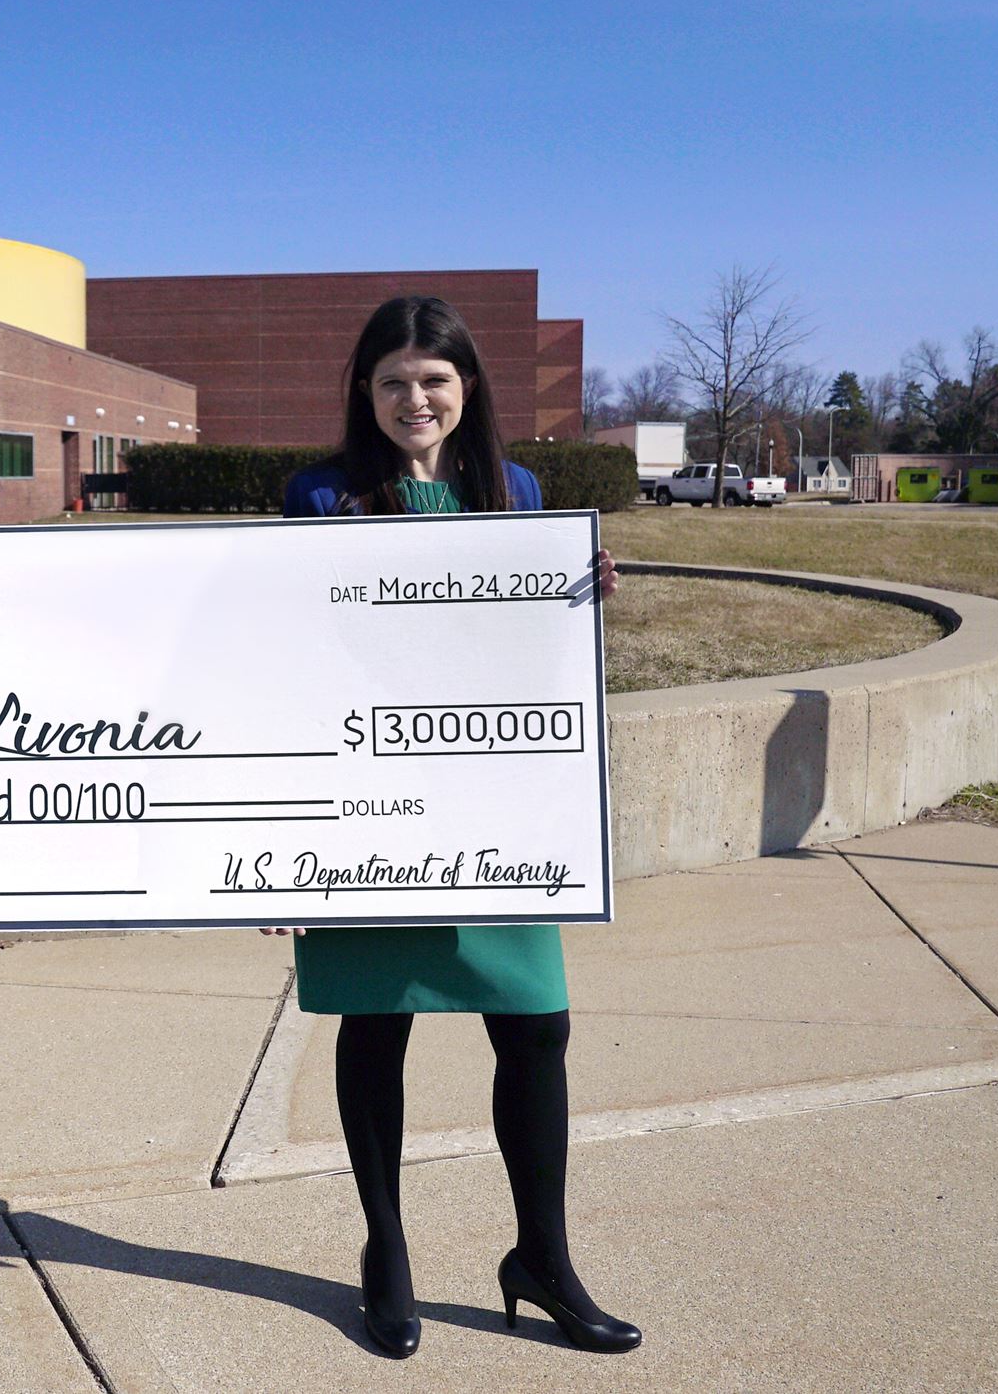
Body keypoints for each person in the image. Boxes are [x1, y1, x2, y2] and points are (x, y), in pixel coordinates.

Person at [267, 295, 639, 1360]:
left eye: (432, 378)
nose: (411, 398)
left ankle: (543, 1258)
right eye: (389, 380)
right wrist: (271, 854)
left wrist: (580, 600)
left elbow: (525, 652)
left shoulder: (514, 493)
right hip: (366, 804)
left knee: (535, 1025)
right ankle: (384, 1251)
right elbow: (283, 657)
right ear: (363, 393)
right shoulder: (319, 496)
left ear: (466, 388)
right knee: (374, 1022)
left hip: (489, 805)